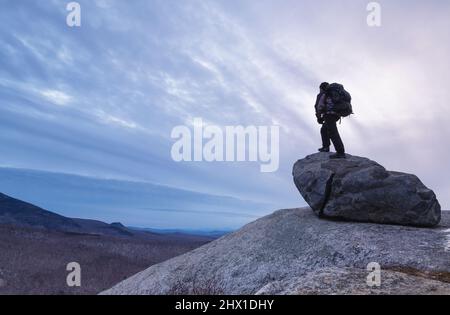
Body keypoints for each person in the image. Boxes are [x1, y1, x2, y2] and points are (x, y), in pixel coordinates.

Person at [315, 82, 346, 159]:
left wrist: (319, 117)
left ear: (321, 88)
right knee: (324, 130)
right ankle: (326, 147)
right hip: (336, 115)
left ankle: (340, 152)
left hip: (329, 115)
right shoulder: (335, 93)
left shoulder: (324, 94)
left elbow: (319, 106)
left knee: (333, 133)